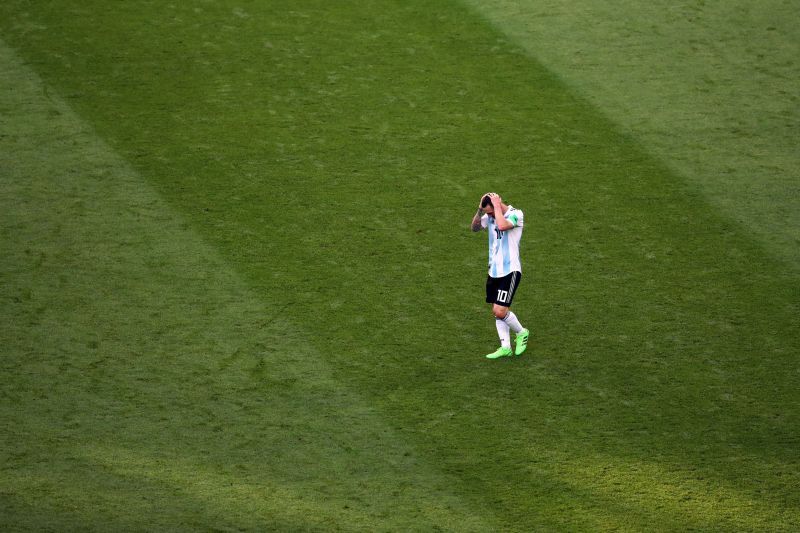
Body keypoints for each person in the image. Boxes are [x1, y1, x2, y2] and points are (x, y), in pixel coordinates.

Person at [470, 192, 530, 359]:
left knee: (500, 310)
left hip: (510, 271)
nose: (489, 216)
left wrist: (496, 207)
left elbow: (503, 226)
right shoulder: (489, 216)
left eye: (489, 212)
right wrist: (480, 211)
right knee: (497, 311)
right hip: (493, 271)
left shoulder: (516, 214)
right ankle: (505, 347)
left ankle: (522, 332)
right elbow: (474, 228)